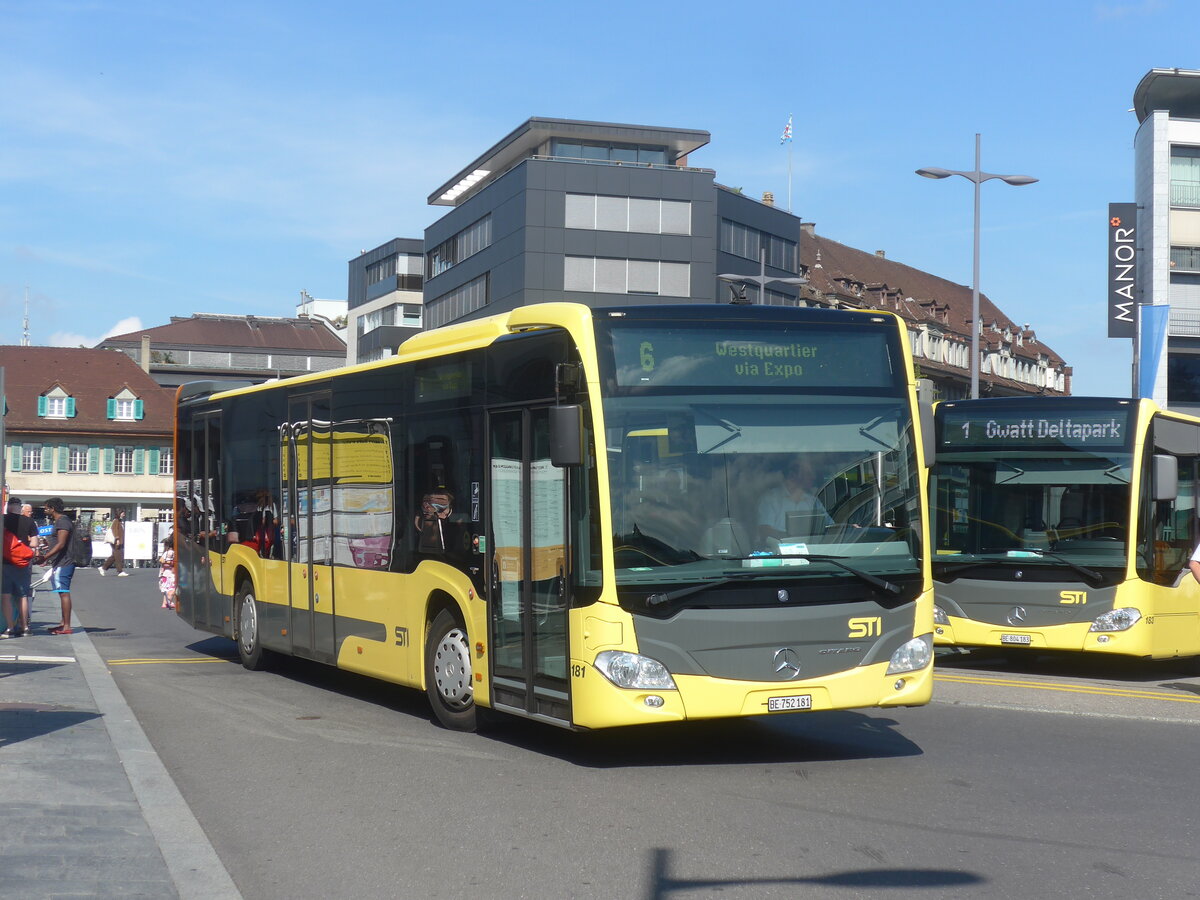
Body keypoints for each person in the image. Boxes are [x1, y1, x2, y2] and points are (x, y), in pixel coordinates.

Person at [757, 458, 834, 541]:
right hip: (779, 551)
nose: (813, 477)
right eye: (808, 474)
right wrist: (792, 539)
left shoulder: (813, 501)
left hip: (813, 551)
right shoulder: (771, 498)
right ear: (792, 475)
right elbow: (764, 531)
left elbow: (831, 528)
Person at [2, 497, 38, 637]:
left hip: (5, 562)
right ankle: (25, 628)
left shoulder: (3, 520)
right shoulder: (29, 521)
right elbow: (34, 543)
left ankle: (10, 628)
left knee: (6, 596)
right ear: (20, 507)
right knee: (22, 596)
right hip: (22, 563)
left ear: (8, 506)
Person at [41, 498, 77, 635]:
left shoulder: (62, 521)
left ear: (52, 508)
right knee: (62, 592)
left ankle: (66, 626)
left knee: (64, 592)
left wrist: (45, 557)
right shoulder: (61, 521)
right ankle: (63, 623)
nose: (45, 510)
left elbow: (61, 544)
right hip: (61, 562)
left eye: (46, 508)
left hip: (64, 562)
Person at [100, 509, 127, 576]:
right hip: (115, 542)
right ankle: (120, 571)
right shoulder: (116, 521)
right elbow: (114, 529)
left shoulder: (120, 521)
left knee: (114, 556)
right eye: (123, 513)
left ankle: (103, 568)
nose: (124, 514)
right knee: (118, 556)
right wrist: (117, 539)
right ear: (119, 513)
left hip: (119, 541)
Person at [158, 535, 176, 609]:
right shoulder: (172, 552)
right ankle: (169, 600)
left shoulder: (166, 552)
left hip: (165, 573)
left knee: (166, 588)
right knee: (172, 588)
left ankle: (164, 603)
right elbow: (164, 560)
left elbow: (161, 560)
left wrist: (166, 562)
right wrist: (170, 562)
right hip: (171, 573)